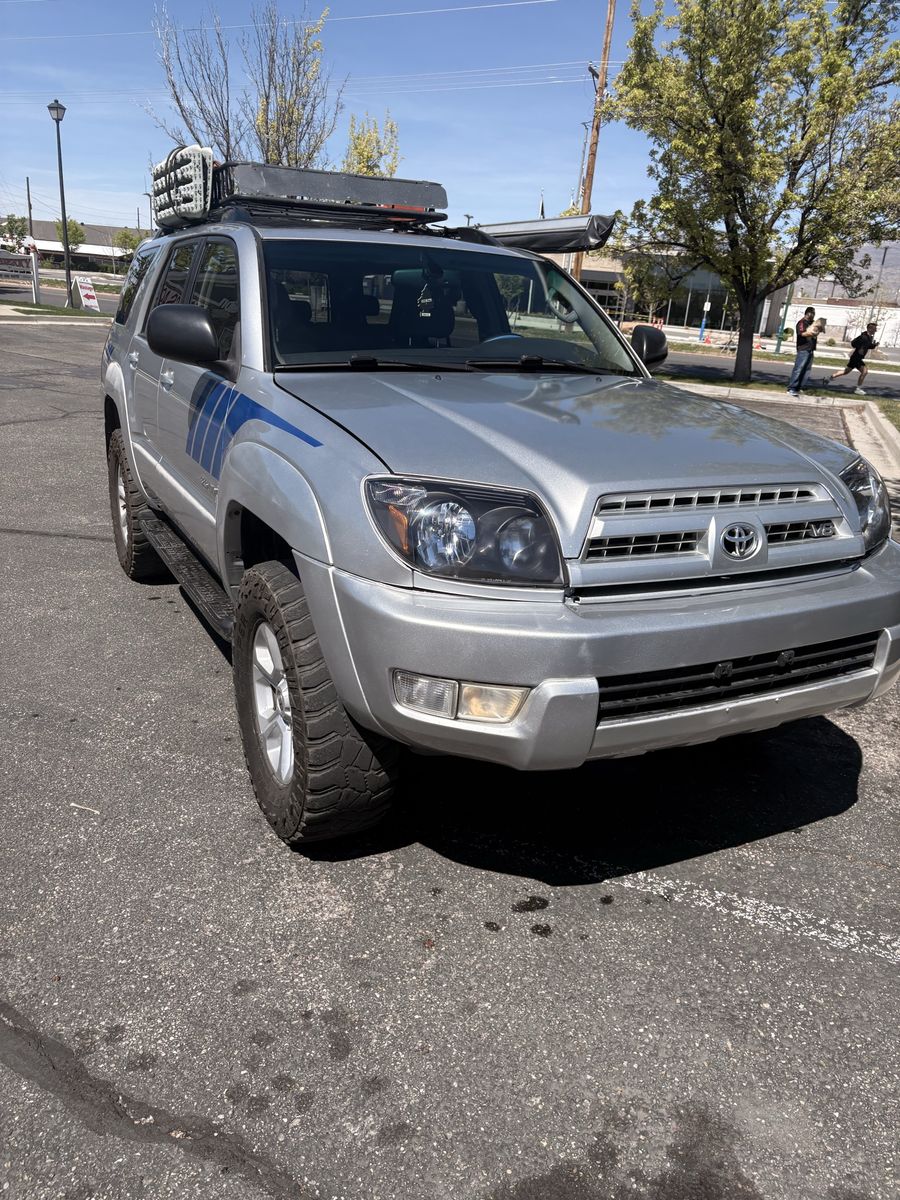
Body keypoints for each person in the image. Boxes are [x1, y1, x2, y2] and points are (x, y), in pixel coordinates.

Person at [822, 322, 878, 394]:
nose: (875, 330)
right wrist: (859, 348)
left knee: (846, 372)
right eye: (874, 329)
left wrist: (874, 345)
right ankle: (858, 389)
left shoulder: (869, 337)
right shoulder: (863, 336)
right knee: (865, 372)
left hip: (856, 357)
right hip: (856, 357)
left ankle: (828, 378)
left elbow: (868, 346)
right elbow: (853, 343)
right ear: (870, 329)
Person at [786, 306, 817, 396]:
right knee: (798, 369)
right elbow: (802, 333)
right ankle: (791, 388)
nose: (813, 315)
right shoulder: (801, 323)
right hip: (803, 349)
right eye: (812, 313)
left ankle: (799, 387)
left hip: (810, 349)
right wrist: (812, 333)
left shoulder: (812, 323)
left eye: (814, 313)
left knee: (806, 370)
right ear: (808, 313)